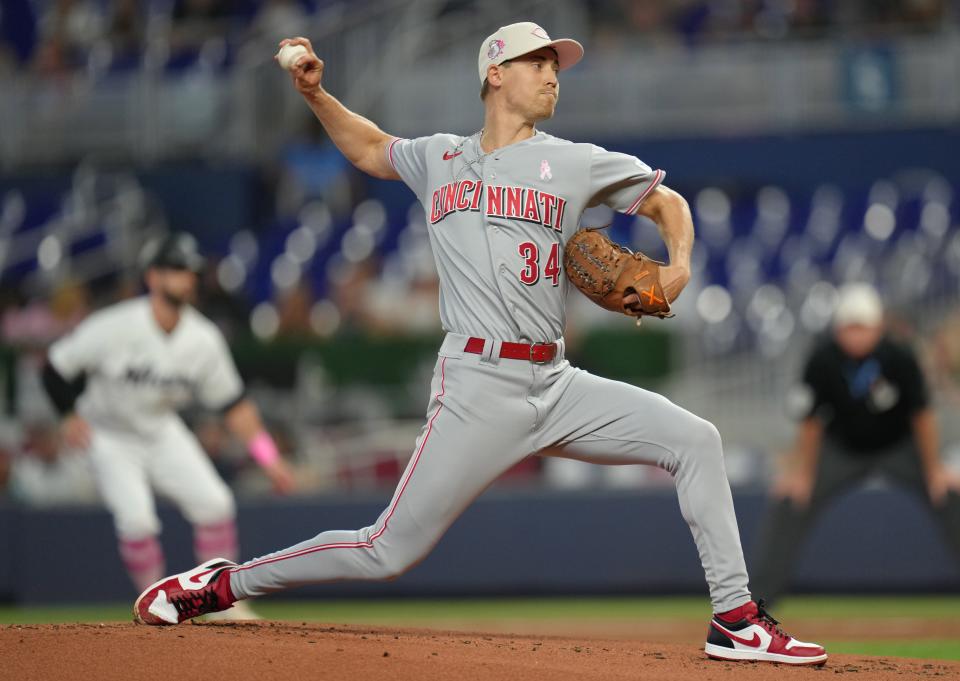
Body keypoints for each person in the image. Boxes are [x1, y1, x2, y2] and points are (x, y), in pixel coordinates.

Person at [133, 23, 825, 665]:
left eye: (558, 65)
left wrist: (677, 263)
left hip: (556, 382)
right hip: (476, 386)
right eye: (540, 62)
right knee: (385, 550)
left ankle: (735, 619)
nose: (554, 74)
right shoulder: (439, 157)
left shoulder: (576, 162)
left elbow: (666, 202)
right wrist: (315, 93)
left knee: (696, 439)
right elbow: (371, 147)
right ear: (496, 72)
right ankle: (222, 584)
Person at [42, 232, 295, 618]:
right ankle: (155, 605)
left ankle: (218, 604)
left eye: (191, 271)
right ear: (153, 277)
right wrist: (67, 414)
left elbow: (235, 407)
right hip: (109, 433)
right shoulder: (115, 325)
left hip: (161, 429)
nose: (187, 278)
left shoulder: (203, 339)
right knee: (138, 520)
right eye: (176, 269)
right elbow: (55, 368)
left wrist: (269, 459)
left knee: (216, 503)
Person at [752, 283, 960, 603]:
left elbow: (922, 415)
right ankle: (758, 601)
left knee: (947, 493)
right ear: (838, 329)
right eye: (850, 328)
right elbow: (810, 420)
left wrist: (933, 468)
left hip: (898, 445)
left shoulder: (900, 356)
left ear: (878, 327)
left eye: (863, 327)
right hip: (842, 449)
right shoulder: (823, 359)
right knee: (791, 500)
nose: (856, 336)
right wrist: (801, 472)